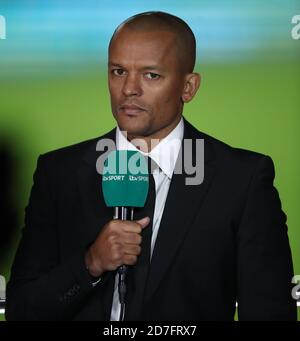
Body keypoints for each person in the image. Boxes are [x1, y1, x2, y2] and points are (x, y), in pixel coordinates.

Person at [6, 11, 297, 321]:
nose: (129, 88)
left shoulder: (242, 181)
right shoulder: (59, 173)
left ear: (189, 87)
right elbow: (22, 310)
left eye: (151, 75)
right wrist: (90, 263)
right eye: (118, 71)